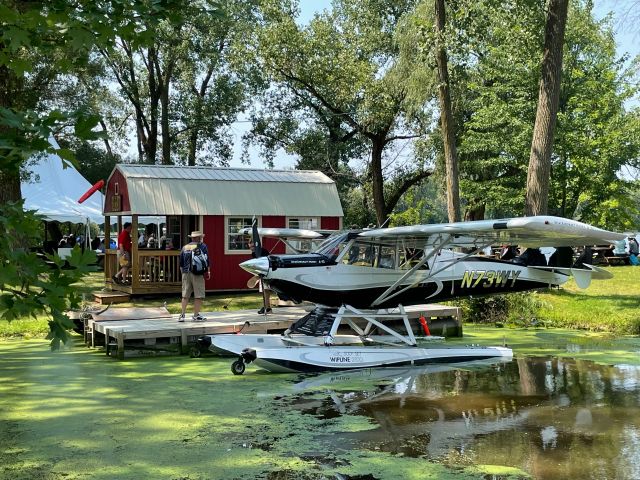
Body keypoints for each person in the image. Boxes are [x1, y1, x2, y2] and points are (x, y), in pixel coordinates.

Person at [178, 231, 211, 322]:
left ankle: (182, 315)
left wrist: (183, 273)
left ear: (192, 238)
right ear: (199, 238)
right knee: (198, 295)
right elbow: (206, 260)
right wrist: (208, 271)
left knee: (185, 295)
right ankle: (196, 315)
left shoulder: (185, 247)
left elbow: (181, 262)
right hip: (198, 274)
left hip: (185, 273)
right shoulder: (202, 246)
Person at [249, 239, 272, 314]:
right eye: (250, 247)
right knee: (264, 290)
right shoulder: (253, 253)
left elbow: (266, 262)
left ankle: (266, 307)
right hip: (261, 273)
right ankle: (267, 307)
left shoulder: (263, 251)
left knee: (266, 290)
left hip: (267, 273)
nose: (251, 248)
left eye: (253, 246)